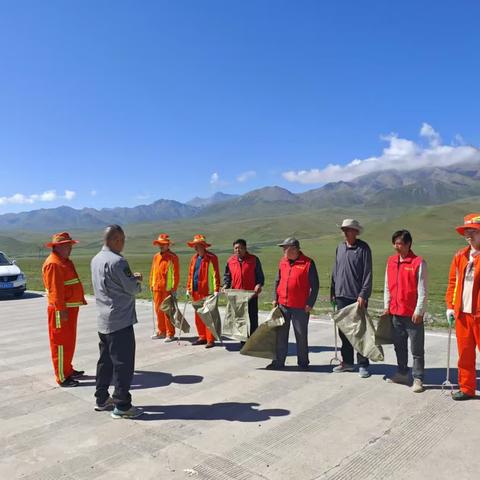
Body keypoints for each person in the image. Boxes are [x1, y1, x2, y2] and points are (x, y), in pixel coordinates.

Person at [91, 225, 143, 418]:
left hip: (103, 320)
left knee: (105, 362)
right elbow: (132, 289)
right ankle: (122, 405)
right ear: (114, 240)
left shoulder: (95, 259)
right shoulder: (119, 262)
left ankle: (102, 398)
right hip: (120, 320)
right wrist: (137, 281)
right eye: (122, 240)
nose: (123, 244)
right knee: (123, 364)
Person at [383, 230, 427, 393]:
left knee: (417, 348)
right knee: (399, 346)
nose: (396, 247)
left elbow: (422, 289)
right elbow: (387, 285)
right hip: (396, 312)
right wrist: (386, 306)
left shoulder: (418, 262)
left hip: (412, 314)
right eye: (395, 243)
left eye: (400, 243)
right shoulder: (391, 261)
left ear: (409, 244)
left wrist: (419, 310)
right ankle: (402, 372)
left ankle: (418, 378)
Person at [42, 232, 87, 387]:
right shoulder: (53, 263)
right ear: (58, 247)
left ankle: (68, 369)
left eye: (70, 245)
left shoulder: (64, 261)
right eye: (67, 245)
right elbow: (55, 291)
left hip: (69, 309)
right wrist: (61, 310)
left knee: (69, 342)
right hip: (61, 310)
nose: (70, 248)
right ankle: (62, 376)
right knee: (60, 343)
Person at [267, 237, 319, 371]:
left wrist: (310, 303)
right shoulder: (283, 262)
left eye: (285, 248)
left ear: (294, 249)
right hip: (283, 305)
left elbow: (315, 285)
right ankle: (278, 362)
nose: (283, 250)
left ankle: (303, 363)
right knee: (281, 335)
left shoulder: (308, 263)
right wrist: (275, 298)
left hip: (300, 307)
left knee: (301, 335)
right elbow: (277, 281)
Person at [330, 219, 373, 378]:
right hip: (341, 295)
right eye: (344, 230)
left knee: (360, 332)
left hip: (357, 298)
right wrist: (333, 291)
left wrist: (363, 294)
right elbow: (335, 270)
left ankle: (363, 364)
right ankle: (347, 362)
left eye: (349, 230)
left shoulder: (363, 248)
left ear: (356, 232)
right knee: (344, 332)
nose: (346, 233)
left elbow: (368, 273)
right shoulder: (340, 248)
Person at [445, 213, 480, 400]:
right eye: (467, 231)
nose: (469, 234)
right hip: (462, 315)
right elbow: (453, 282)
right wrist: (450, 305)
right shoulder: (460, 256)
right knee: (465, 355)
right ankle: (467, 388)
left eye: (473, 231)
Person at [223, 238, 265, 338]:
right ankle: (243, 340)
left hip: (251, 294)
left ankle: (254, 340)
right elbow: (227, 276)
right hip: (237, 295)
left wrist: (259, 284)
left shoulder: (254, 259)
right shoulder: (230, 261)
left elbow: (260, 276)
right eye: (236, 248)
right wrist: (225, 285)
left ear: (245, 248)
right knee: (240, 319)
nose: (238, 250)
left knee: (253, 317)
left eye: (241, 248)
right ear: (233, 249)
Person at [186, 234, 221, 348]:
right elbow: (191, 275)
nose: (195, 248)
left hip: (207, 292)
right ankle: (202, 337)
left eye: (197, 246)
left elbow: (216, 274)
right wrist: (188, 288)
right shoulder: (194, 258)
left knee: (208, 316)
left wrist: (216, 289)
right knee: (198, 316)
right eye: (194, 246)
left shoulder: (211, 258)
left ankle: (210, 339)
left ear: (203, 246)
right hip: (195, 291)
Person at [149, 233, 180, 342]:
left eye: (163, 244)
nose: (161, 246)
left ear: (168, 245)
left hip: (167, 289)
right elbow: (153, 271)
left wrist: (174, 288)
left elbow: (176, 274)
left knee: (168, 312)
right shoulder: (156, 256)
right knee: (158, 310)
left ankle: (170, 333)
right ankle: (161, 331)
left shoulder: (173, 257)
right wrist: (151, 284)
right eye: (159, 244)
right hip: (157, 288)